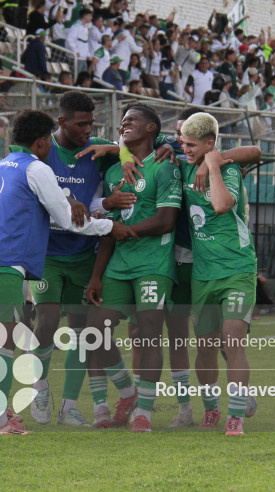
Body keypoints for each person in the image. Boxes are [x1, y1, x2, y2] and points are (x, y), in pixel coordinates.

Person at [0, 110, 134, 435]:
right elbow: (69, 220)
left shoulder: (4, 164)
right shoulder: (36, 168)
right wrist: (110, 227)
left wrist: (79, 204)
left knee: (6, 335)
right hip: (4, 263)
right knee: (3, 342)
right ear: (43, 141)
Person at [25, 92, 133, 428]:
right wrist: (69, 202)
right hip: (47, 254)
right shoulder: (42, 151)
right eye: (81, 124)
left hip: (83, 254)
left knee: (81, 331)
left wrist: (116, 151)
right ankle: (40, 386)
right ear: (62, 122)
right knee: (46, 321)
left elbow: (136, 151)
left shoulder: (96, 150)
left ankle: (69, 407)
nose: (88, 130)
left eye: (92, 124)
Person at [84, 104, 181, 433]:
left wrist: (126, 231)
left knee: (150, 335)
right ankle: (128, 393)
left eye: (132, 120)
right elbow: (109, 228)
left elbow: (166, 220)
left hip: (153, 264)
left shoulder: (165, 165)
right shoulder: (114, 172)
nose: (124, 124)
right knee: (95, 332)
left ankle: (145, 413)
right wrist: (96, 275)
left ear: (152, 128)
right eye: (122, 121)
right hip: (118, 265)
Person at [178, 112, 258, 436]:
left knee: (232, 340)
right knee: (206, 346)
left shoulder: (228, 169)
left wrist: (213, 164)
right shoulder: (181, 163)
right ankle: (211, 409)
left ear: (209, 144)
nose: (185, 149)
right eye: (182, 143)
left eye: (191, 145)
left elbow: (223, 204)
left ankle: (235, 416)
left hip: (237, 268)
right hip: (203, 272)